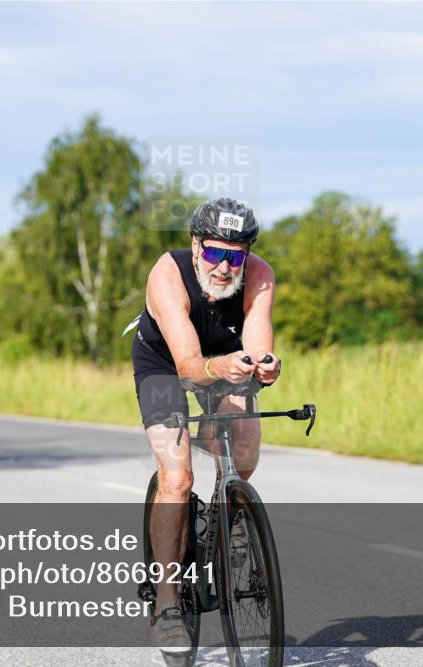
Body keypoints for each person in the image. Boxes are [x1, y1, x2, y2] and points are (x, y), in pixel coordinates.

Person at [129, 197, 280, 654]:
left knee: (246, 444)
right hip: (166, 364)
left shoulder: (260, 276)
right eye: (215, 253)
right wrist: (223, 369)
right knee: (177, 477)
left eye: (235, 256)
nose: (224, 266)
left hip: (225, 359)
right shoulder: (168, 274)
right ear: (196, 247)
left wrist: (266, 367)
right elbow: (191, 366)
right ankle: (168, 601)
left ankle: (228, 514)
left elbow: (257, 350)